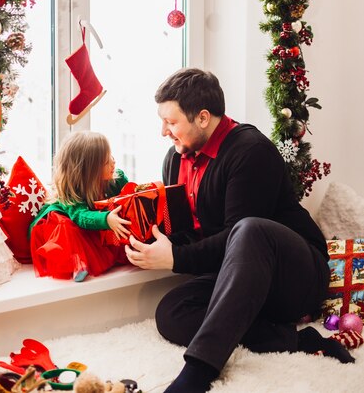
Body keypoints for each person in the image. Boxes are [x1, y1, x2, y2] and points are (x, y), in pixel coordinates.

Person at [125, 68, 354, 393]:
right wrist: (147, 244)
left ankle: (199, 371)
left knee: (247, 231)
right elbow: (193, 233)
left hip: (295, 276)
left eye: (172, 122)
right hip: (240, 280)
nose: (164, 131)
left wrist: (175, 259)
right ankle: (296, 339)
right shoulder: (175, 159)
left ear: (203, 117)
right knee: (171, 312)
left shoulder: (250, 152)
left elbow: (237, 239)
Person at [30, 130, 131, 281]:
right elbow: (81, 217)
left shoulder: (116, 177)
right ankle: (77, 262)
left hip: (96, 220)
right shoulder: (73, 192)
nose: (113, 162)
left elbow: (129, 196)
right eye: (105, 161)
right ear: (89, 171)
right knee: (65, 226)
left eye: (111, 156)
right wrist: (106, 219)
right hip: (65, 222)